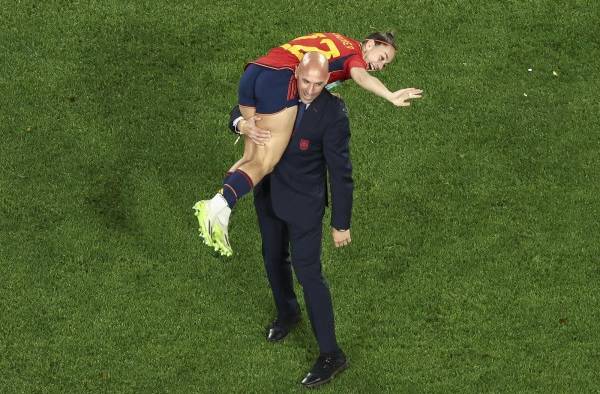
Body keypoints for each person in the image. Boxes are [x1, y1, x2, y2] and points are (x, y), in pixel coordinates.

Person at [194, 31, 422, 257]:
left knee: (250, 157)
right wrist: (390, 95)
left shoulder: (338, 39)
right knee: (266, 162)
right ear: (370, 44)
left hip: (256, 71)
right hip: (282, 78)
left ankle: (220, 212)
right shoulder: (355, 56)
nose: (380, 67)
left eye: (385, 65)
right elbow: (361, 76)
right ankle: (216, 208)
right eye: (382, 58)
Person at [229, 52, 351, 388]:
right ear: (297, 72)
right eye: (306, 81)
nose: (310, 89)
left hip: (304, 206)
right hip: (268, 194)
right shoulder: (278, 89)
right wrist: (242, 124)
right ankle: (287, 312)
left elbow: (341, 173)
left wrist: (341, 223)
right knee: (271, 255)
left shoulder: (333, 113)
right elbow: (238, 111)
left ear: (328, 80)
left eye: (319, 83)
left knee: (309, 274)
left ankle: (331, 354)